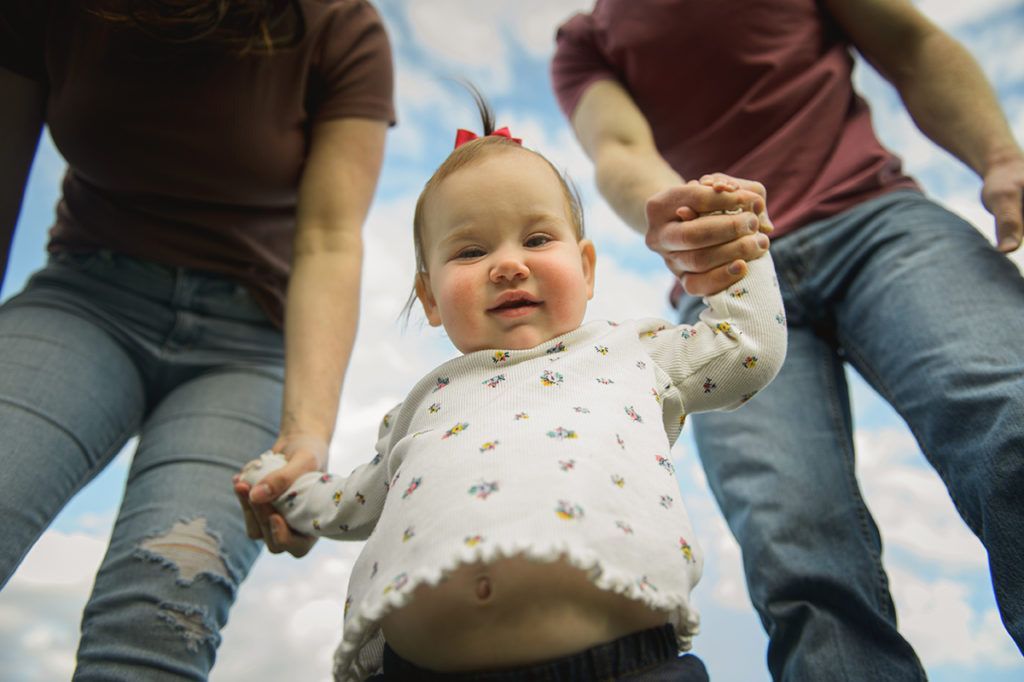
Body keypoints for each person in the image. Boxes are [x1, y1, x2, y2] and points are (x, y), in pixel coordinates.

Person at [238, 93, 788, 681]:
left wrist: (740, 244)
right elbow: (352, 503)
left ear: (588, 268)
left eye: (536, 240)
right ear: (428, 298)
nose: (508, 265)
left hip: (623, 664)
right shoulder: (423, 404)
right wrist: (286, 488)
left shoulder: (634, 353)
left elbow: (746, 349)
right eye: (471, 250)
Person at [551, 0, 1024, 680]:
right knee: (793, 544)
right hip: (726, 283)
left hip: (877, 221)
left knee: (1010, 416)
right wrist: (681, 217)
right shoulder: (587, 41)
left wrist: (1001, 156)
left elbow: (913, 45)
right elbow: (622, 149)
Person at [0, 0, 393, 678]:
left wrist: (304, 437)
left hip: (247, 342)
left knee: (160, 615)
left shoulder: (341, 28)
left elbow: (330, 240)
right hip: (86, 299)